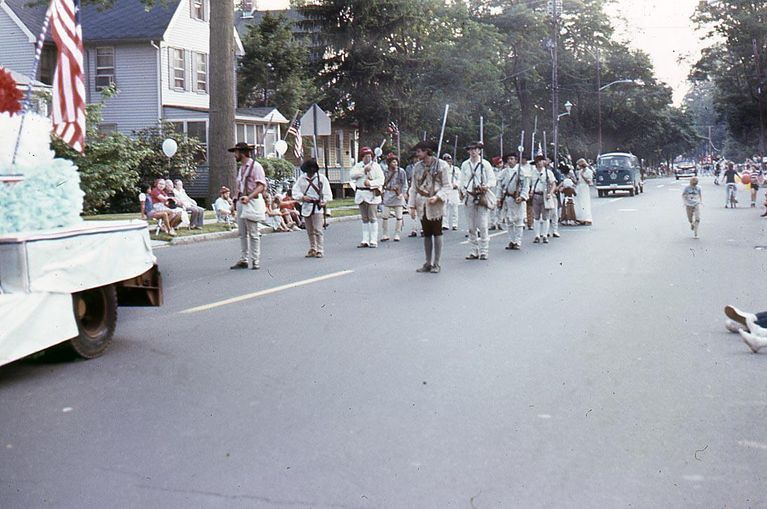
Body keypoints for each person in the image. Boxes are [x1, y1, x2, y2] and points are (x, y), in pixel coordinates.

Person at [408, 140, 450, 273]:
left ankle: (436, 263)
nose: (417, 153)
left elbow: (447, 186)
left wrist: (438, 197)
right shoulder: (417, 167)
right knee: (426, 234)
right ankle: (428, 262)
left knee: (437, 232)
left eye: (419, 151)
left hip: (436, 203)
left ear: (427, 151)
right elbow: (414, 187)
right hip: (422, 202)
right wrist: (412, 206)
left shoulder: (441, 165)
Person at [229, 142, 266, 270]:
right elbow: (240, 186)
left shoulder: (256, 167)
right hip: (241, 202)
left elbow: (261, 186)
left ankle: (255, 260)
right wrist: (235, 199)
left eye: (236, 152)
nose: (235, 155)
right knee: (242, 233)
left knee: (253, 233)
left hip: (251, 202)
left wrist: (249, 197)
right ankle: (244, 259)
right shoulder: (242, 168)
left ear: (242, 153)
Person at [460, 141, 497, 260]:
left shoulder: (485, 164)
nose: (473, 152)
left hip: (481, 195)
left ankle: (484, 251)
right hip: (469, 195)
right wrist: (462, 190)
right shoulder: (465, 164)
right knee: (471, 226)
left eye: (475, 149)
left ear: (479, 150)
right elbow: (462, 180)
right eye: (470, 149)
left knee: (483, 225)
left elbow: (492, 180)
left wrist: (486, 186)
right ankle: (473, 251)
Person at [293, 159, 333, 258]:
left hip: (317, 206)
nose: (311, 172)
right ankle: (313, 248)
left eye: (312, 170)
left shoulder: (321, 178)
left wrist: (324, 201)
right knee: (309, 229)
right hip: (306, 206)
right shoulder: (301, 179)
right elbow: (295, 191)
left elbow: (327, 193)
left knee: (318, 229)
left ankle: (320, 249)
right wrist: (302, 197)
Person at [350, 146, 384, 248]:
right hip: (361, 193)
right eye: (365, 156)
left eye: (369, 156)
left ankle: (373, 240)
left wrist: (370, 183)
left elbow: (381, 180)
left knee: (372, 217)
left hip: (371, 194)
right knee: (364, 218)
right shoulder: (358, 166)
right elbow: (352, 175)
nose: (368, 158)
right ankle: (365, 240)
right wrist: (364, 171)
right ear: (362, 157)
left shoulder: (376, 166)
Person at [496, 152, 529, 250]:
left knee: (518, 221)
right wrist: (498, 198)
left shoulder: (521, 171)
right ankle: (511, 240)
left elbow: (525, 186)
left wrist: (522, 196)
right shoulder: (503, 172)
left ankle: (518, 241)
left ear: (516, 160)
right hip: (507, 198)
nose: (510, 161)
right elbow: (499, 186)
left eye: (512, 159)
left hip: (517, 198)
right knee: (509, 221)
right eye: (508, 159)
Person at [380, 153, 408, 242]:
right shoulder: (385, 172)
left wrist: (403, 193)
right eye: (393, 162)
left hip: (398, 195)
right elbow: (382, 182)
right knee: (385, 216)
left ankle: (397, 234)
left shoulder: (401, 171)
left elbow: (405, 184)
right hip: (388, 194)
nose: (395, 164)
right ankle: (385, 234)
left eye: (396, 162)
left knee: (399, 216)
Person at [530, 155, 556, 244]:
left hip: (545, 195)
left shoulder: (548, 172)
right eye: (537, 162)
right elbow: (530, 184)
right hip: (536, 195)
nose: (539, 163)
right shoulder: (532, 173)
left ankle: (544, 235)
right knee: (536, 216)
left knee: (545, 216)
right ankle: (537, 235)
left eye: (541, 161)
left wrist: (550, 193)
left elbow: (553, 184)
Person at [441, 153, 461, 231]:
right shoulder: (442, 170)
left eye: (449, 161)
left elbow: (460, 179)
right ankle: (445, 224)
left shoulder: (456, 169)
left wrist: (456, 184)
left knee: (454, 207)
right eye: (445, 161)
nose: (447, 162)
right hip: (445, 190)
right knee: (445, 208)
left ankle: (454, 224)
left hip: (454, 190)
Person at [574, 158, 594, 225]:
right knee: (580, 203)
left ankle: (587, 218)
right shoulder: (580, 171)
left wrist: (583, 176)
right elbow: (578, 181)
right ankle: (581, 218)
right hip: (579, 187)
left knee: (585, 203)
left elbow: (589, 181)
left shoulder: (589, 171)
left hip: (585, 187)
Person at [489, 156, 504, 231]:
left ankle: (499, 222)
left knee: (500, 208)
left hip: (501, 191)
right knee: (492, 208)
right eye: (499, 163)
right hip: (493, 190)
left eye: (501, 162)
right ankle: (493, 223)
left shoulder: (504, 171)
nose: (501, 164)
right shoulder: (492, 171)